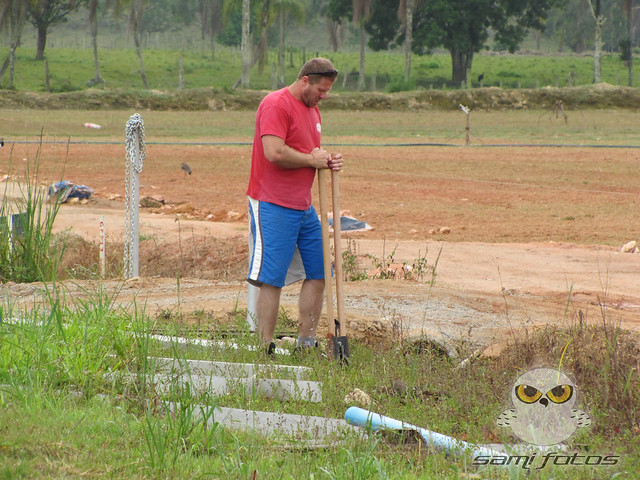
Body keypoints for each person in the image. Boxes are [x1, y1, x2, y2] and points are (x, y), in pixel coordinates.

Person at [246, 57, 343, 354]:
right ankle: (265, 347)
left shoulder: (313, 111)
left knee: (320, 272)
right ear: (305, 81)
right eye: (321, 90)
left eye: (327, 91)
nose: (323, 96)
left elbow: (308, 152)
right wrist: (310, 159)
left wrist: (325, 160)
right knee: (271, 278)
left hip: (304, 207)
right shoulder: (276, 105)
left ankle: (306, 343)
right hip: (273, 204)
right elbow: (274, 152)